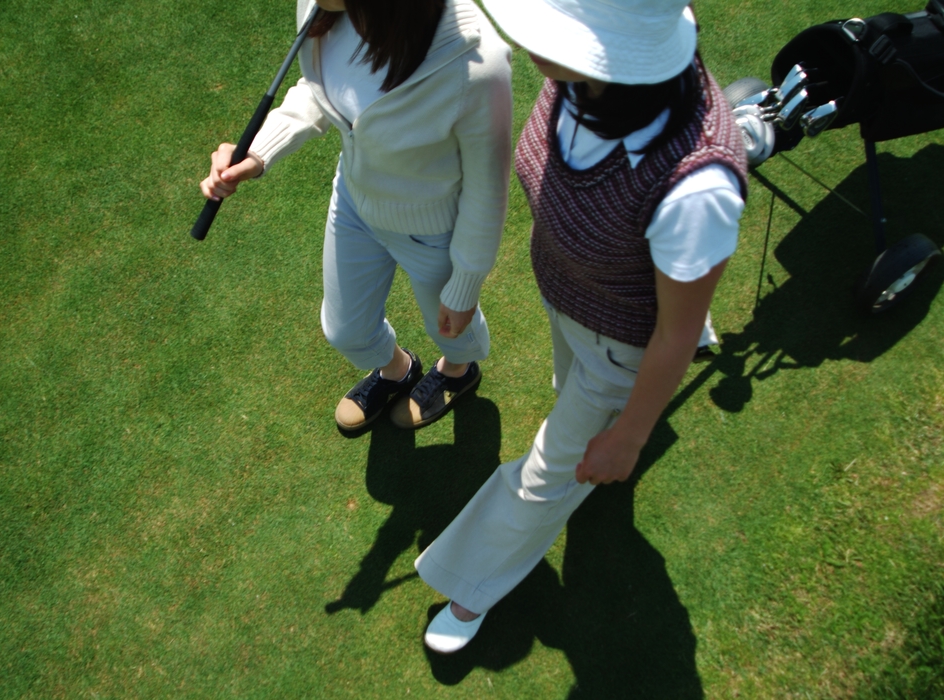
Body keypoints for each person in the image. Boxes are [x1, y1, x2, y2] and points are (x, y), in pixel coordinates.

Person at [415, 0, 748, 653]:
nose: (531, 33)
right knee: (574, 407)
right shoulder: (586, 83)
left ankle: (469, 583)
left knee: (546, 476)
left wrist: (630, 436)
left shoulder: (697, 188)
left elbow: (675, 333)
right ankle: (610, 424)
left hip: (622, 345)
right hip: (568, 300)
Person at [200, 0, 512, 433]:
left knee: (452, 331)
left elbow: (487, 191)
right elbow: (323, 85)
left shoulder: (476, 63)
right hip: (354, 200)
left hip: (433, 227)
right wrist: (256, 152)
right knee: (345, 330)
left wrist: (465, 284)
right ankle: (396, 370)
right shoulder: (320, 5)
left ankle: (458, 372)